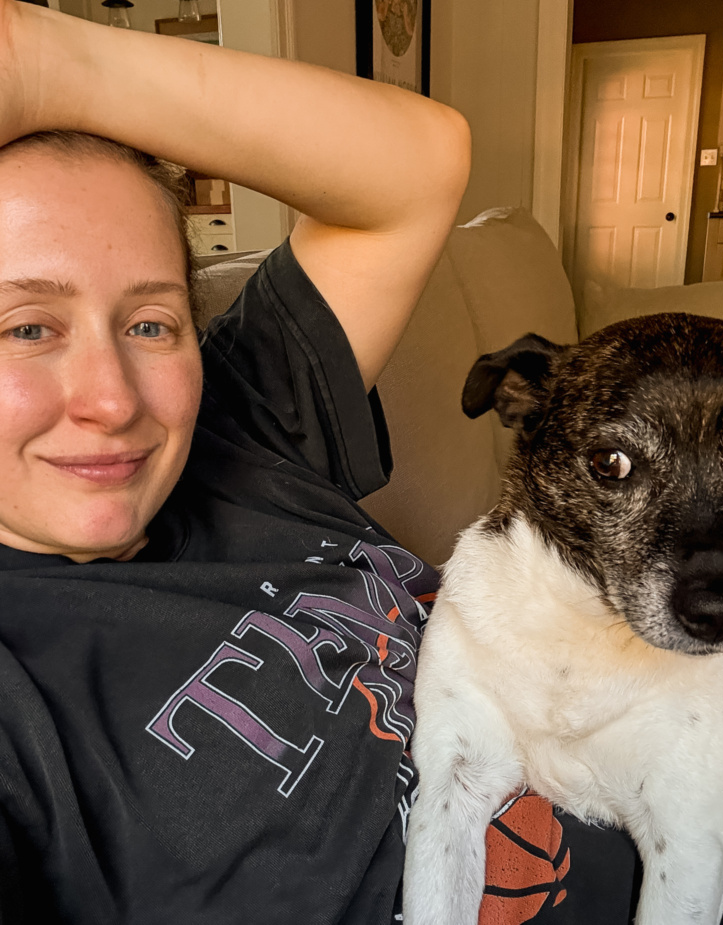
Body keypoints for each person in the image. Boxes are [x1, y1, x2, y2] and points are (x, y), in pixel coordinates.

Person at [0, 0, 469, 921]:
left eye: (149, 323)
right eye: (25, 327)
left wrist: (39, 62)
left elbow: (420, 167)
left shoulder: (240, 422)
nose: (115, 399)